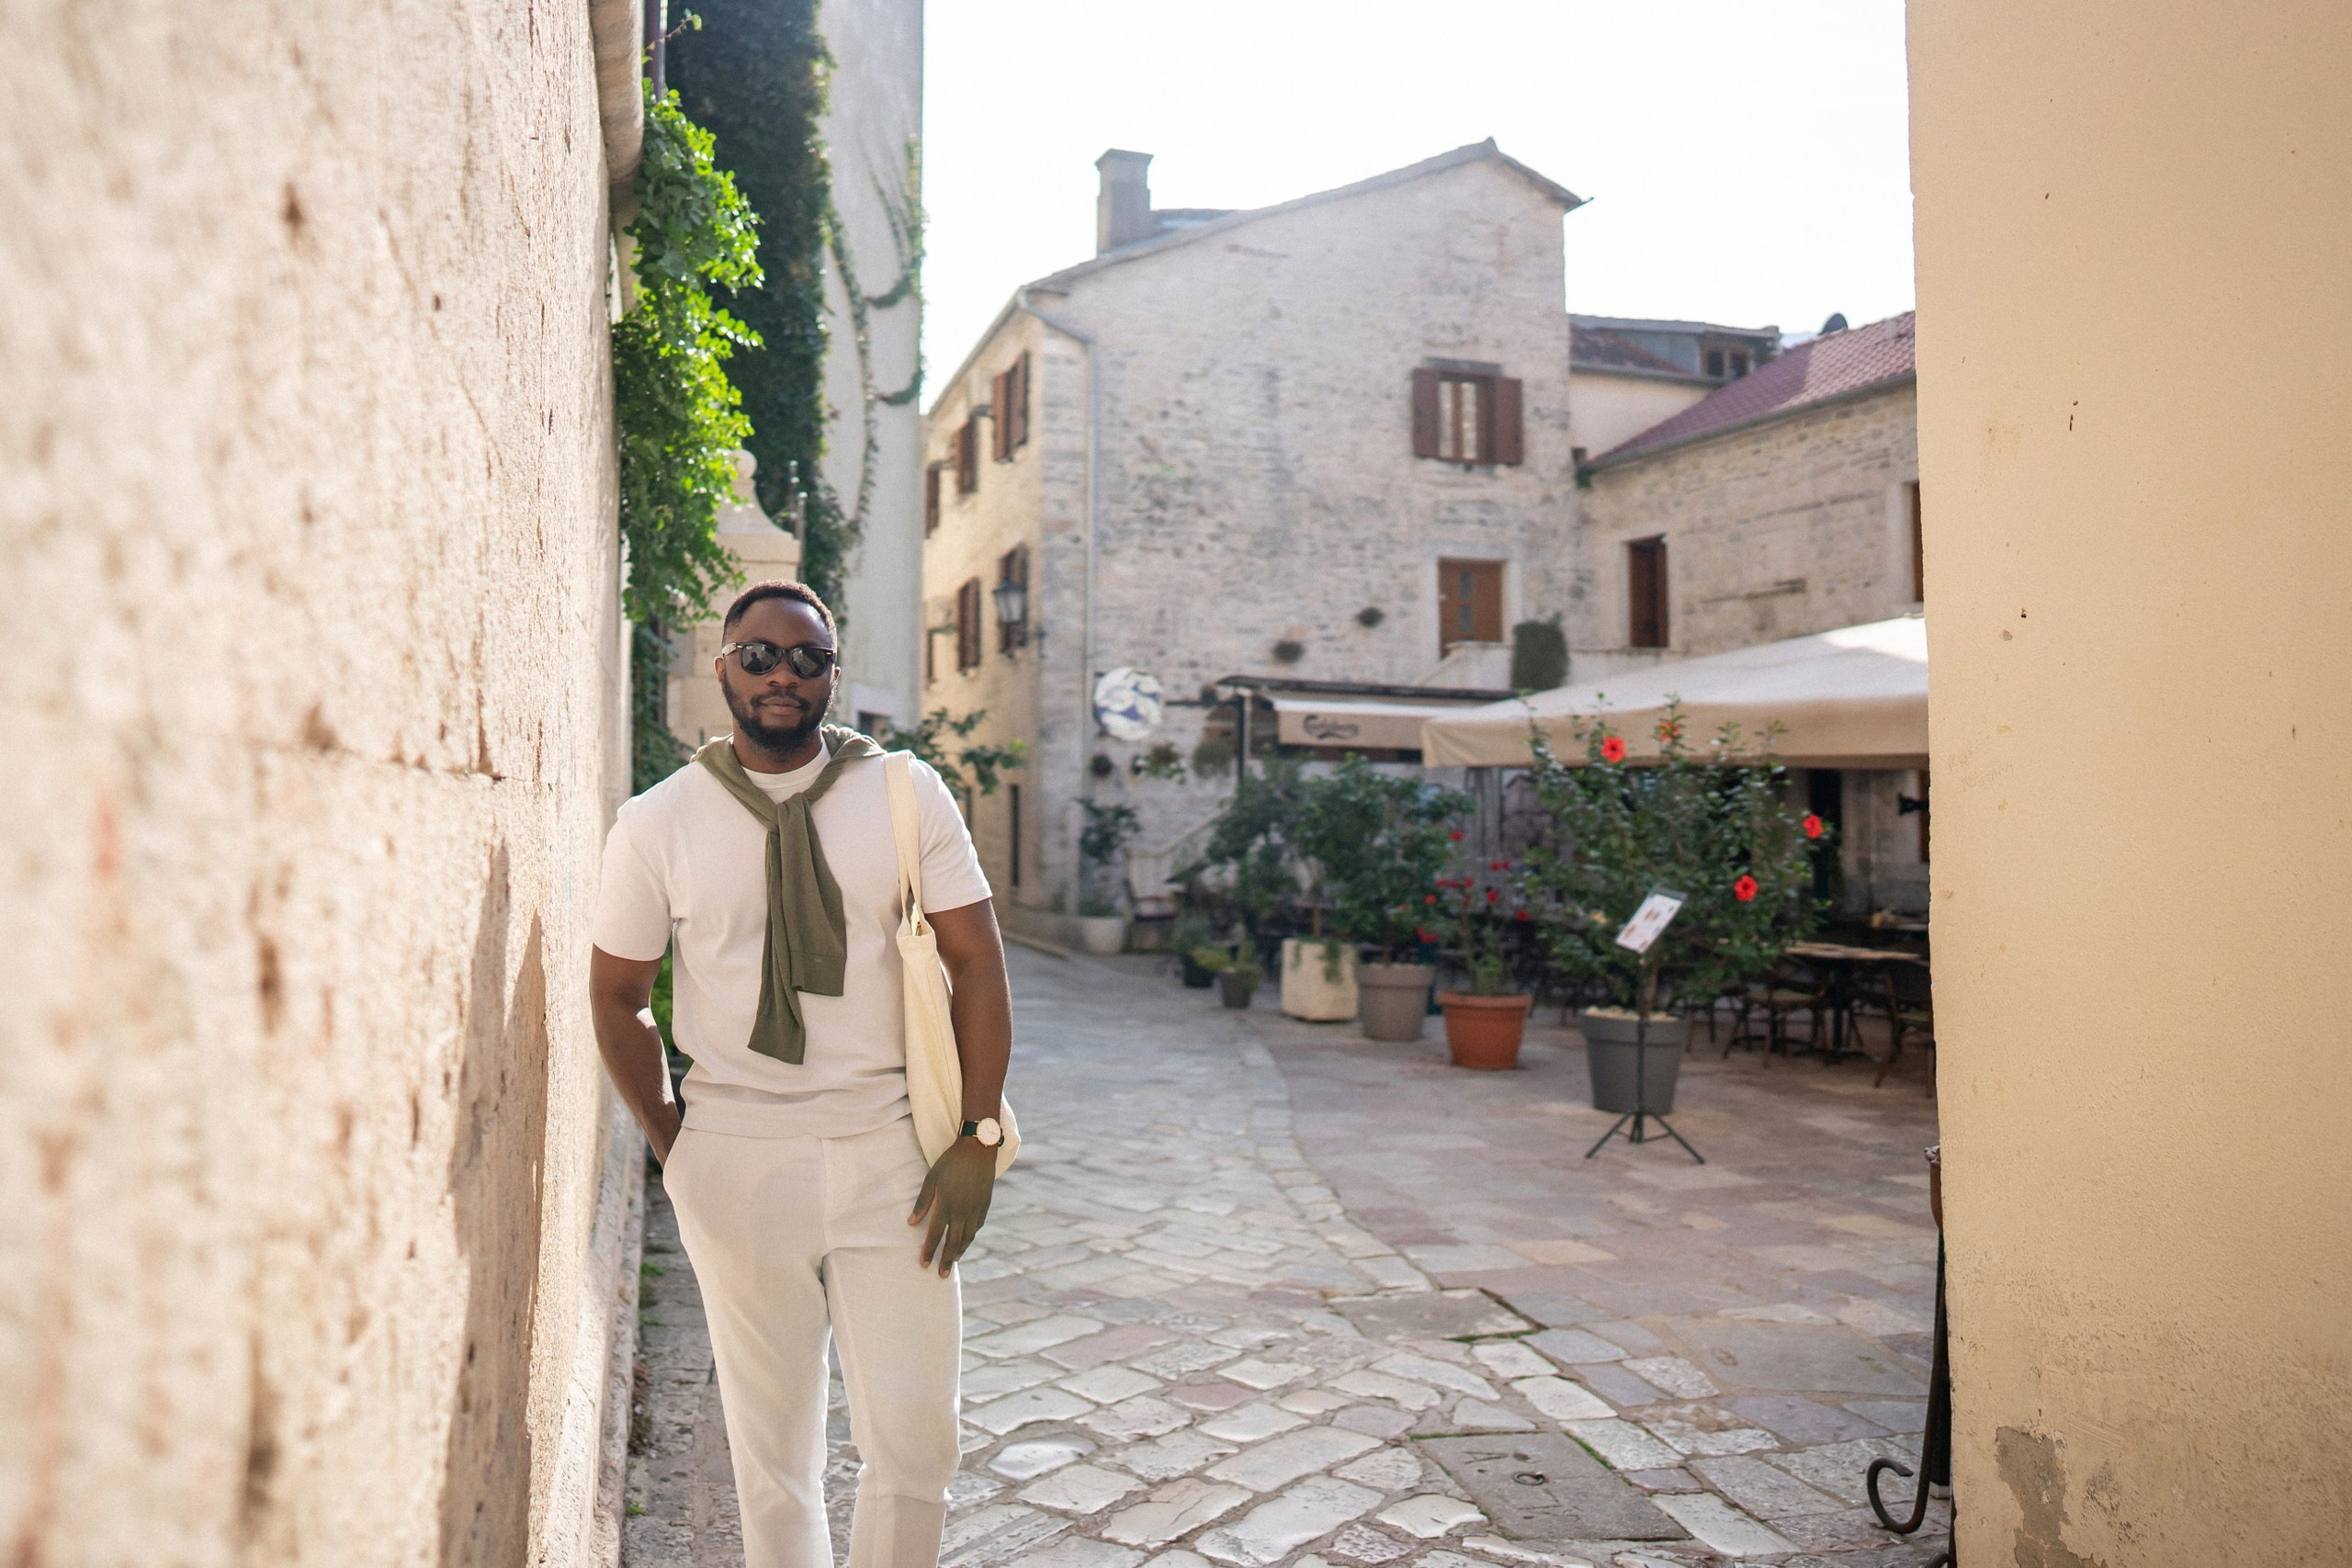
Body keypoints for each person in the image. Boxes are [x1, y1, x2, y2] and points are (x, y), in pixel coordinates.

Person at [587, 579, 1012, 1568]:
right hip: (735, 1159)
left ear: (832, 675)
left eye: (808, 659)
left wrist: (976, 1136)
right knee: (770, 1451)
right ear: (723, 665)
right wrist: (676, 1146)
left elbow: (977, 963)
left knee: (917, 1439)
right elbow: (618, 997)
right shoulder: (658, 823)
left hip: (893, 1157)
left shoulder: (905, 794)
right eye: (761, 655)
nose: (784, 674)